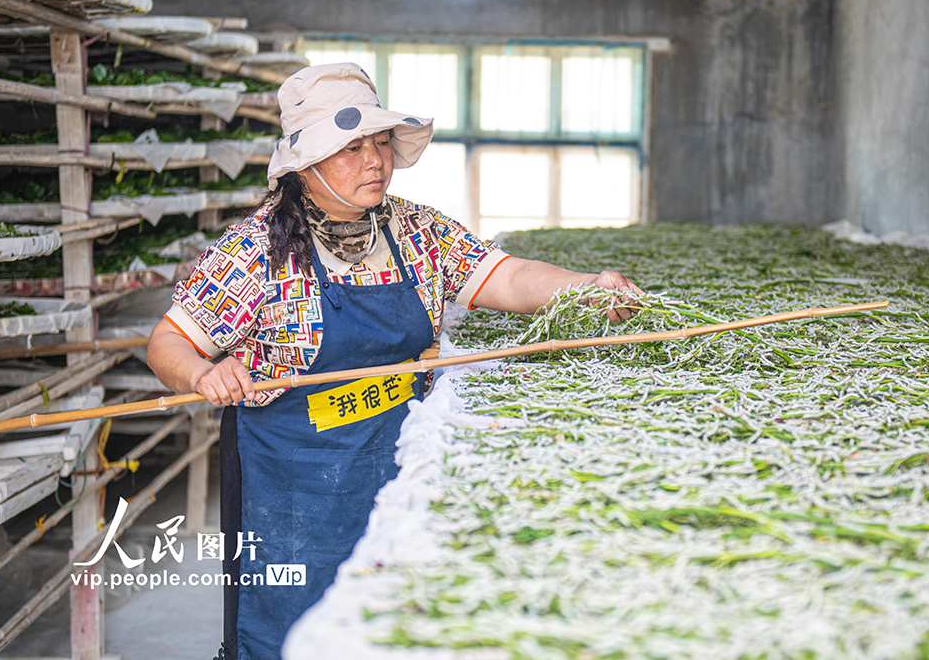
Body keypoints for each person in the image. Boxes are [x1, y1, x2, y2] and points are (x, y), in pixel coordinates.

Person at [146, 62, 639, 660]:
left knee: (393, 627)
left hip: (397, 462)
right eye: (351, 148)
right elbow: (168, 343)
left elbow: (505, 278)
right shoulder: (256, 253)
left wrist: (584, 286)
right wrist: (204, 372)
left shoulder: (416, 231)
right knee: (289, 632)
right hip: (297, 487)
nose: (375, 161)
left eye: (379, 143)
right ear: (305, 166)